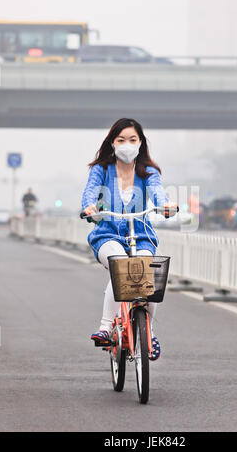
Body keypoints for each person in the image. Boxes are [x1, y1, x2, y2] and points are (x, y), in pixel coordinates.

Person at [82, 118, 178, 361]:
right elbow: (90, 192)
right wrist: (90, 207)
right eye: (121, 140)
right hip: (107, 234)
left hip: (141, 235)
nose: (127, 144)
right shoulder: (101, 170)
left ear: (140, 143)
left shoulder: (148, 171)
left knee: (148, 276)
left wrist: (165, 205)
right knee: (119, 265)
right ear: (112, 143)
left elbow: (157, 193)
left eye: (132, 140)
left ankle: (149, 332)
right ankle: (105, 327)